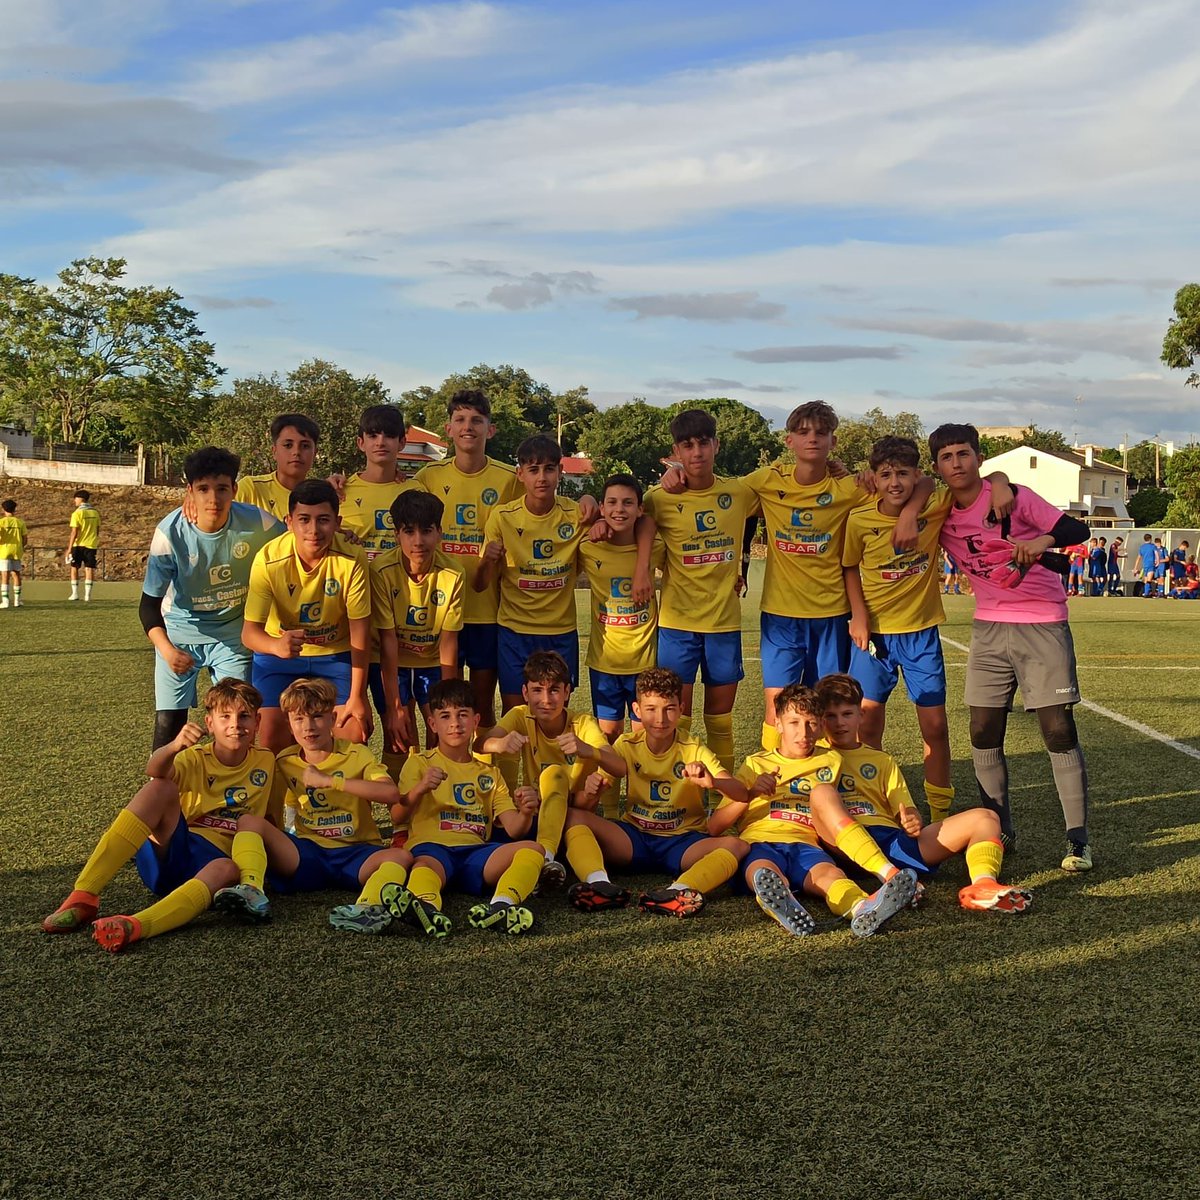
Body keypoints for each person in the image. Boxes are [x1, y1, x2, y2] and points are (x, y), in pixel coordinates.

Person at [932, 422, 1094, 871]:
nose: (956, 463)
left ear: (979, 458)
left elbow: (1074, 531)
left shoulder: (1012, 496)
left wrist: (1039, 540)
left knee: (1058, 731)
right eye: (946, 457)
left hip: (1042, 623)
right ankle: (999, 832)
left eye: (963, 453)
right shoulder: (938, 509)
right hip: (988, 629)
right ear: (938, 467)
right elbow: (903, 487)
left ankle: (1078, 841)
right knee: (983, 731)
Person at [42, 678, 276, 951]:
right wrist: (175, 745)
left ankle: (134, 925)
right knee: (160, 788)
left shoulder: (267, 760)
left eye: (244, 716)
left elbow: (273, 816)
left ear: (258, 722)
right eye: (225, 716)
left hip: (218, 869)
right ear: (209, 723)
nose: (235, 724)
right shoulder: (195, 757)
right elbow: (155, 769)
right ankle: (84, 895)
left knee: (227, 868)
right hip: (176, 853)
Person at [811, 673, 1033, 914]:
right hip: (841, 847)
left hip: (889, 841)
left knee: (986, 817)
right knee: (822, 793)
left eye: (846, 714)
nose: (839, 723)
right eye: (830, 716)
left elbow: (905, 808)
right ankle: (890, 877)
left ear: (860, 715)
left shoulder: (881, 760)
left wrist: (912, 820)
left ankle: (982, 885)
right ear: (820, 720)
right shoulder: (812, 756)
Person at [708, 681, 917, 937]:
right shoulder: (755, 764)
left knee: (830, 875)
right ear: (778, 723)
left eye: (811, 723)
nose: (803, 732)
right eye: (794, 722)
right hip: (761, 841)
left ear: (821, 726)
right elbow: (715, 826)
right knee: (763, 870)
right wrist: (750, 794)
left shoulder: (831, 759)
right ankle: (782, 903)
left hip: (808, 843)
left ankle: (862, 906)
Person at [214, 678, 410, 933]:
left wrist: (332, 781)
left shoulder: (356, 754)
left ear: (332, 718)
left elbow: (390, 793)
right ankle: (251, 890)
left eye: (317, 716)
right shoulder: (285, 760)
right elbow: (271, 812)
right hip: (308, 853)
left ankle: (367, 908)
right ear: (289, 723)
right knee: (249, 821)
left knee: (401, 856)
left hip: (356, 853)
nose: (308, 726)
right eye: (299, 719)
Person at [561, 667, 750, 917]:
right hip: (634, 838)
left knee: (738, 845)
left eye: (669, 708)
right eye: (651, 709)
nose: (660, 718)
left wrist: (714, 781)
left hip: (682, 842)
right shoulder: (626, 745)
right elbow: (585, 805)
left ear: (681, 708)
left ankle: (678, 891)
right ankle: (599, 884)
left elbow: (741, 793)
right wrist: (592, 792)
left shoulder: (693, 747)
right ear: (637, 710)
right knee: (572, 816)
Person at [842, 436, 963, 824]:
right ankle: (874, 805)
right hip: (872, 637)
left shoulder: (933, 505)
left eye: (903, 474)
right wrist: (858, 616)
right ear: (874, 478)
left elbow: (972, 480)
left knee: (935, 725)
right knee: (867, 722)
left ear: (916, 475)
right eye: (886, 474)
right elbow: (849, 568)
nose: (895, 482)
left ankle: (940, 812)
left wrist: (911, 512)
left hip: (920, 633)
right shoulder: (860, 519)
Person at [476, 434, 641, 714]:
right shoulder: (502, 517)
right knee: (517, 715)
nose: (542, 477)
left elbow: (639, 520)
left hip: (560, 633)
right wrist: (486, 562)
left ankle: (551, 761)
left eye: (549, 469)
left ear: (560, 472)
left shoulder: (576, 515)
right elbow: (480, 585)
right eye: (533, 469)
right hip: (515, 632)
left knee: (555, 715)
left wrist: (597, 516)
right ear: (520, 474)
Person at [141, 446, 285, 749]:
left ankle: (232, 791)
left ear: (234, 489)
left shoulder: (258, 523)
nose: (213, 498)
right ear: (190, 491)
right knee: (168, 729)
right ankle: (165, 793)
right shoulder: (170, 534)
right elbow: (148, 607)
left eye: (222, 489)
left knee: (236, 725)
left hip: (232, 638)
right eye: (203, 489)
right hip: (179, 634)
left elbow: (299, 536)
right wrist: (167, 650)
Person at [381, 679, 546, 937]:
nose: (455, 723)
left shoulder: (490, 774)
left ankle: (501, 906)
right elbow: (397, 816)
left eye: (462, 715)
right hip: (433, 848)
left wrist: (525, 811)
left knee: (533, 849)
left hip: (474, 853)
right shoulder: (420, 764)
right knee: (423, 865)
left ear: (476, 720)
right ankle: (425, 908)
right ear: (433, 723)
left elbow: (514, 829)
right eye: (445, 716)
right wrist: (420, 788)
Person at [643, 408, 760, 768]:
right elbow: (619, 515)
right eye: (687, 446)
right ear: (676, 453)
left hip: (724, 624)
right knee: (676, 718)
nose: (697, 453)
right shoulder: (656, 499)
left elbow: (793, 486)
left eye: (703, 443)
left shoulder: (739, 492)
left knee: (720, 721)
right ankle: (679, 789)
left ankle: (718, 794)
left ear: (716, 446)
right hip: (677, 625)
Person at [411, 389, 522, 731]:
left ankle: (486, 779)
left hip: (489, 611)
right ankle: (444, 779)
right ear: (448, 428)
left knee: (481, 708)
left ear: (490, 429)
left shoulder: (509, 480)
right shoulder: (429, 477)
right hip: (442, 612)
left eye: (477, 420)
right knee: (443, 710)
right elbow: (395, 506)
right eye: (460, 419)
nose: (468, 426)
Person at [241, 478, 372, 754]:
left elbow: (360, 633)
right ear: (289, 522)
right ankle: (286, 798)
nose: (314, 530)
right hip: (278, 658)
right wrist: (276, 645)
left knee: (353, 733)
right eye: (304, 519)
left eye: (323, 520)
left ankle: (337, 795)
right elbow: (249, 633)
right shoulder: (268, 559)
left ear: (337, 522)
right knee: (271, 739)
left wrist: (359, 696)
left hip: (334, 656)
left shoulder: (352, 557)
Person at [477, 650, 624, 888]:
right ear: (525, 692)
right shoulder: (520, 715)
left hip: (575, 810)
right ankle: (583, 874)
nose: (546, 700)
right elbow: (479, 743)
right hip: (540, 814)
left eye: (554, 690)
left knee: (558, 784)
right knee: (554, 783)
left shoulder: (582, 723)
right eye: (537, 690)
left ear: (567, 692)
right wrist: (500, 743)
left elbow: (619, 767)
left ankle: (556, 862)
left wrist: (588, 749)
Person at [369, 489, 464, 772]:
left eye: (427, 530)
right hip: (392, 664)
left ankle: (439, 807)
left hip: (432, 663)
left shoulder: (453, 573)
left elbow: (449, 642)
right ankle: (400, 810)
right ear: (397, 534)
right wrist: (395, 707)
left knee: (441, 735)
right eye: (409, 531)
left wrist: (447, 703)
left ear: (439, 532)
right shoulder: (381, 571)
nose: (418, 541)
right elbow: (387, 640)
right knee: (398, 737)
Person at [578, 473, 664, 741]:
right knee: (608, 736)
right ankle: (609, 786)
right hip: (605, 663)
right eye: (612, 503)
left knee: (644, 738)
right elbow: (579, 508)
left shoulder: (656, 549)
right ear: (602, 508)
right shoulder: (587, 547)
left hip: (645, 663)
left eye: (628, 503)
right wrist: (587, 499)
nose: (619, 509)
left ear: (639, 509)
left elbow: (650, 524)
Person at [339, 404, 415, 560]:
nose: (380, 442)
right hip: (354, 583)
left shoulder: (417, 491)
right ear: (361, 443)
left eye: (389, 436)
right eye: (373, 436)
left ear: (402, 443)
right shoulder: (339, 491)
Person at [235, 413, 321, 520]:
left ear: (315, 453)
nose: (296, 452)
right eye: (288, 445)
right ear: (274, 451)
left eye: (305, 446)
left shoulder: (322, 496)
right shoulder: (251, 489)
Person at [65, 488, 101, 601]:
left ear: (80, 499)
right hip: (91, 544)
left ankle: (75, 593)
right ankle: (87, 596)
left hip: (78, 544)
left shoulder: (77, 513)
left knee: (74, 567)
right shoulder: (95, 512)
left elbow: (74, 532)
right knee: (89, 568)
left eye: (75, 499)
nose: (74, 501)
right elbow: (97, 529)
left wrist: (69, 548)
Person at [0, 498, 28, 609]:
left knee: (5, 575)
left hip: (4, 550)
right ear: (15, 509)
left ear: (3, 509)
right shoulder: (20, 522)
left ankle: (5, 601)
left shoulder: (1, 522)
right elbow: (25, 538)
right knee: (16, 574)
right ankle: (17, 600)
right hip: (17, 549)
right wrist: (21, 546)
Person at [1136, 533, 1159, 597]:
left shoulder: (1142, 547)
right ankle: (1147, 593)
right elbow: (1156, 554)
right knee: (1149, 579)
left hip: (1145, 565)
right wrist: (1158, 562)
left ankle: (1146, 593)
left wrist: (1135, 567)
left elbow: (1138, 557)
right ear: (1150, 539)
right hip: (1151, 564)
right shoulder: (1153, 546)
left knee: (1147, 579)